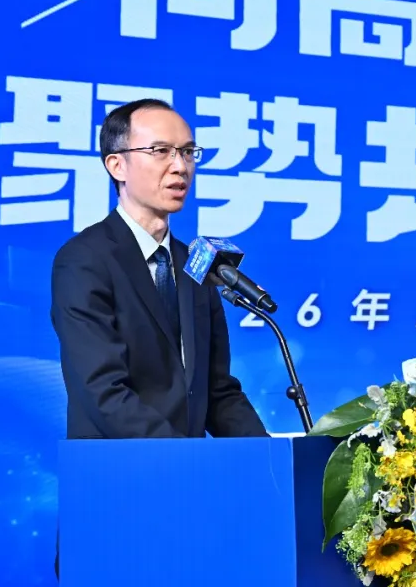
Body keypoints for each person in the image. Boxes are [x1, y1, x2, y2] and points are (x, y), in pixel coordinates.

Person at [50, 98, 268, 579]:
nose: (180, 166)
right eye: (161, 151)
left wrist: (268, 463)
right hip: (116, 494)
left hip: (189, 502)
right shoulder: (84, 259)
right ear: (116, 165)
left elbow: (217, 391)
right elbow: (103, 391)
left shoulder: (197, 266)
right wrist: (190, 464)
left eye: (188, 152)